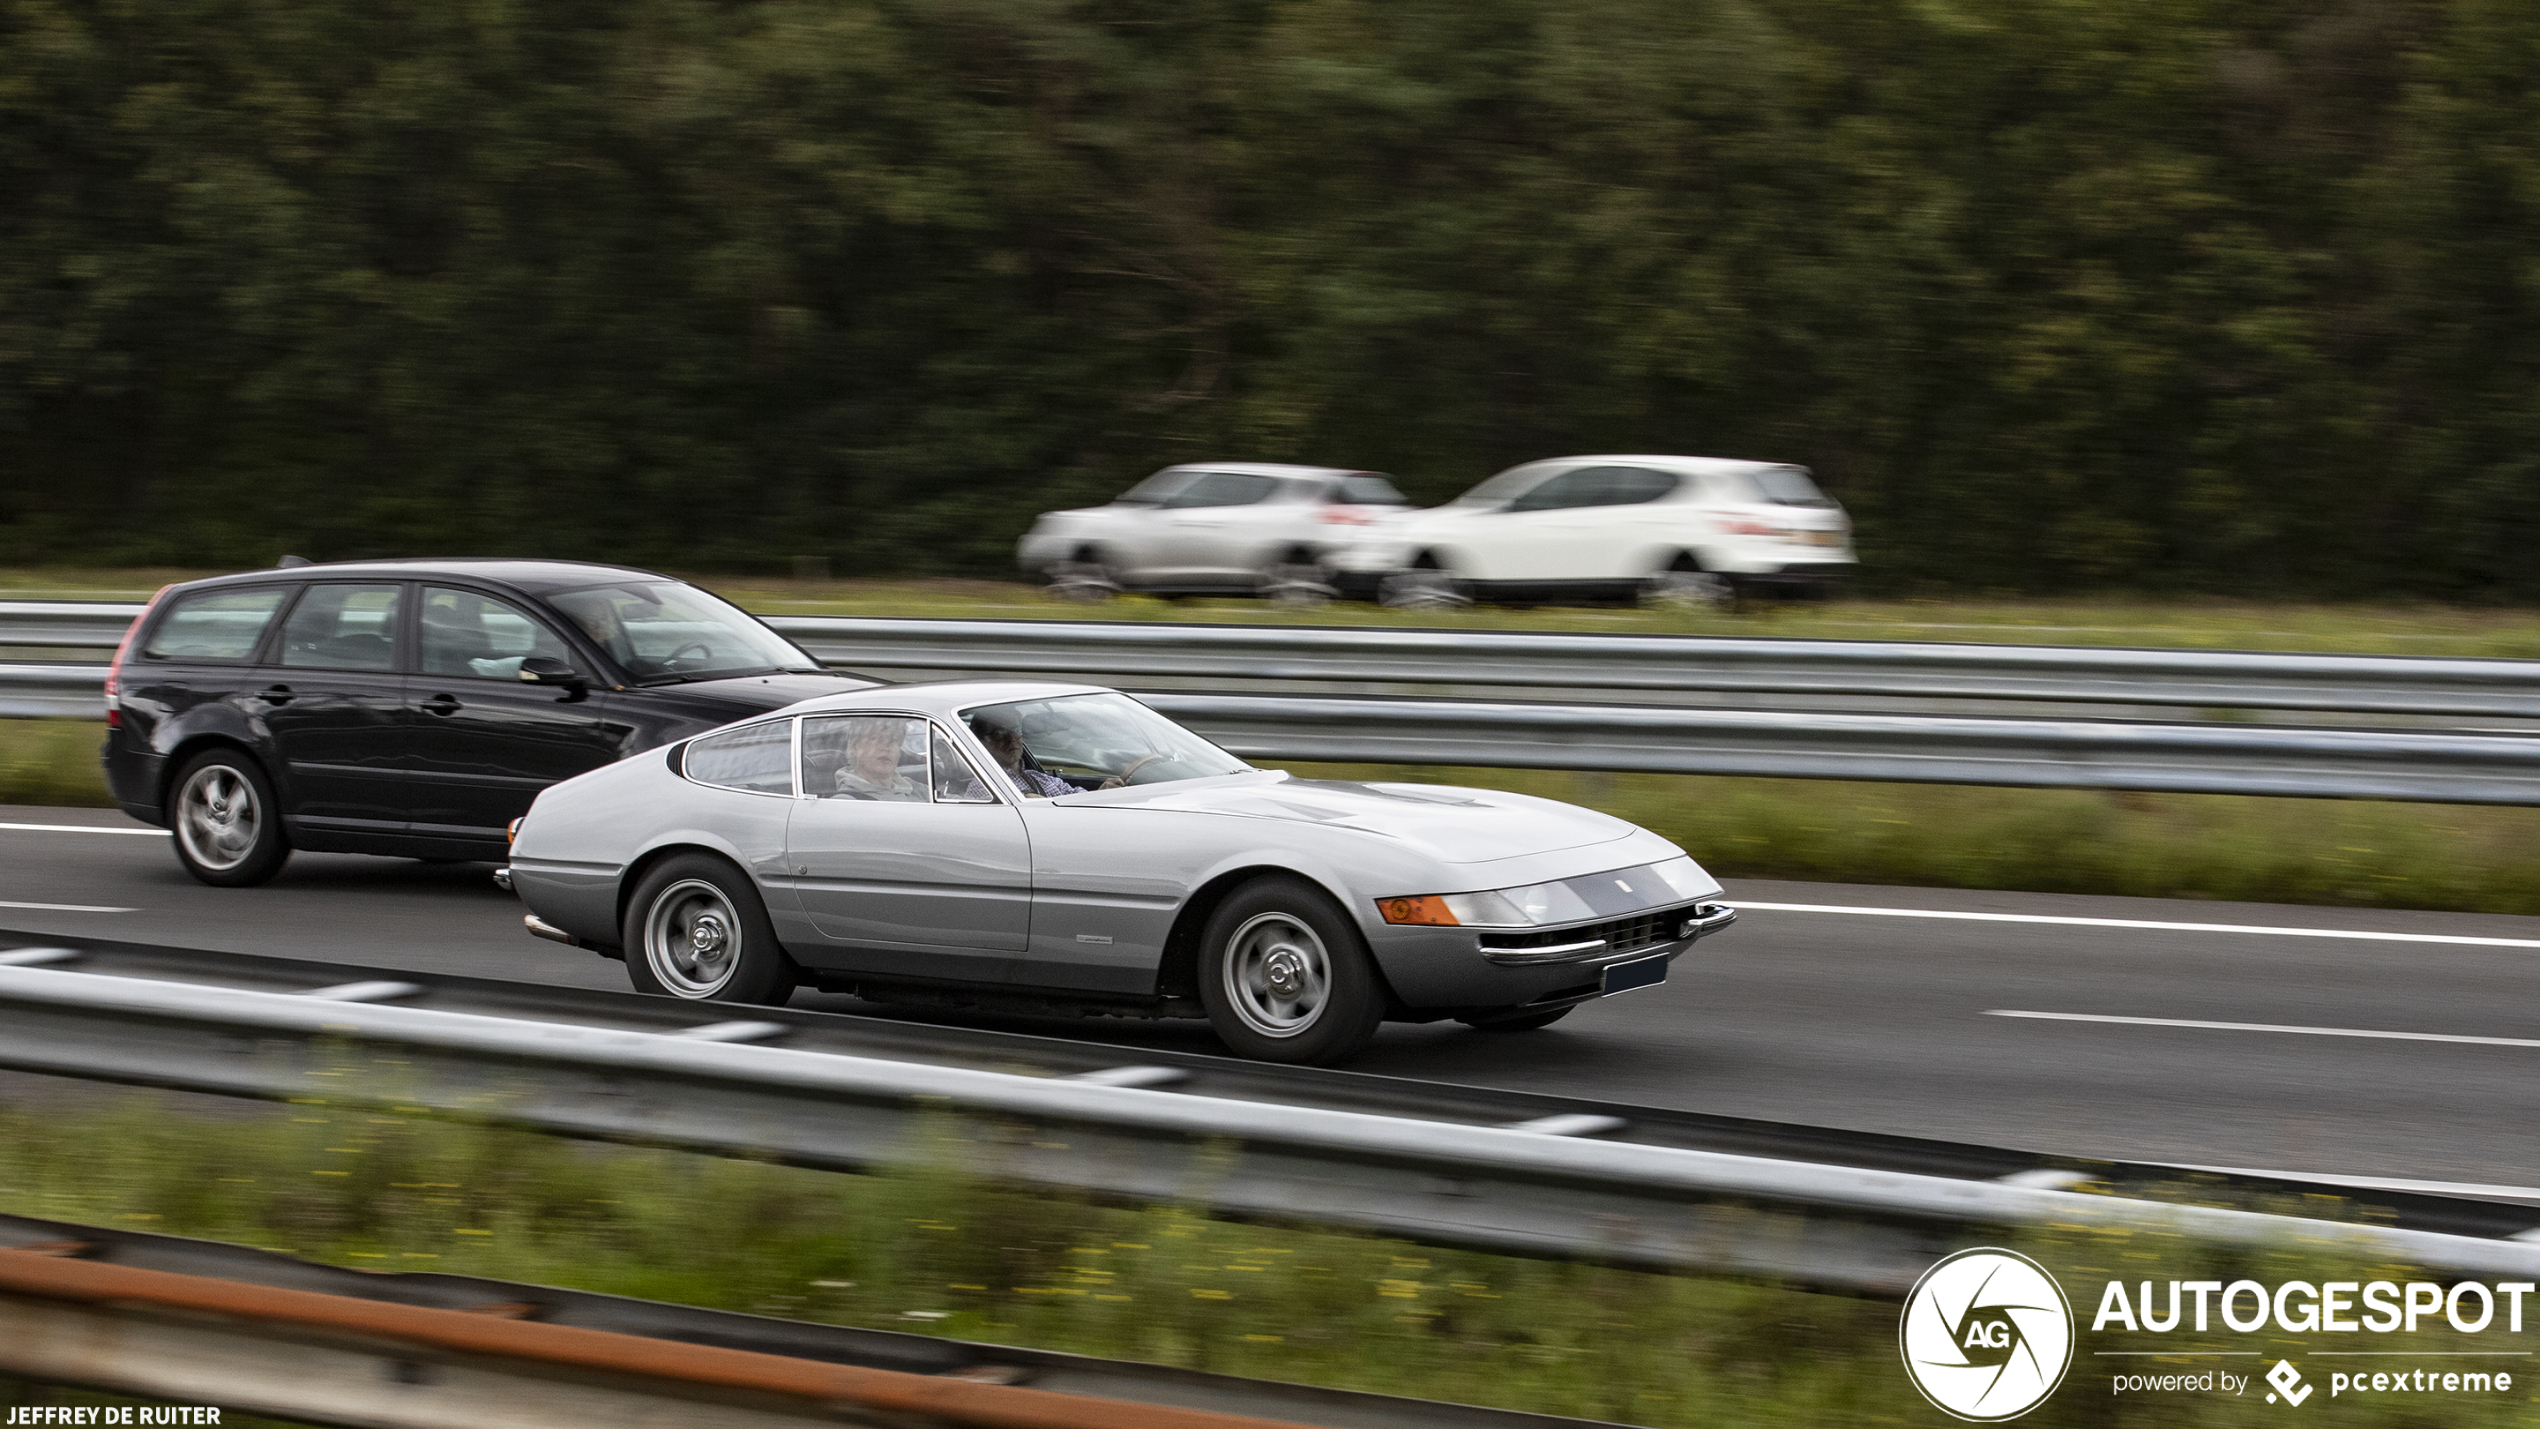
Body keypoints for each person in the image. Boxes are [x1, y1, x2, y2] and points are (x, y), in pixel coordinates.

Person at [967, 709, 1079, 799]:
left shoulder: (1038, 777)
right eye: (999, 733)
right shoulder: (984, 786)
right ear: (980, 742)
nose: (1012, 738)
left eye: (1016, 730)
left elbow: (1081, 798)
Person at [829, 719, 923, 801]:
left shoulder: (918, 789)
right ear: (855, 747)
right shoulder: (846, 801)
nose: (886, 747)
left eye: (893, 740)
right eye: (874, 738)